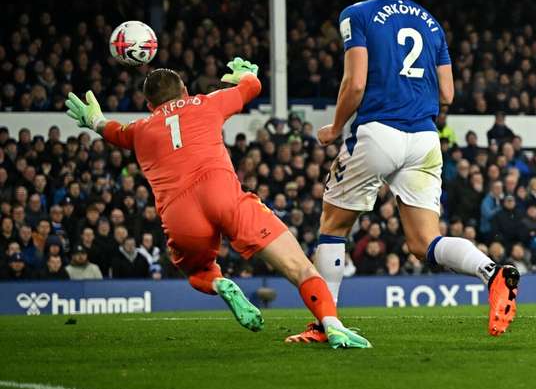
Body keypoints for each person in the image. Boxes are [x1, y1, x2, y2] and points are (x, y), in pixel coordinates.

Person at [64, 60, 370, 348]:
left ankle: (221, 284)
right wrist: (243, 74)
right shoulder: (205, 102)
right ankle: (332, 325)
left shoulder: (140, 129)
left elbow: (112, 132)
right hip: (223, 196)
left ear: (149, 105)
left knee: (199, 270)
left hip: (180, 215)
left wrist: (94, 119)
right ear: (184, 90)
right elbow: (252, 88)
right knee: (300, 268)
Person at [311, 0, 518, 339]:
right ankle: (491, 272)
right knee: (424, 242)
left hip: (378, 130)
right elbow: (448, 92)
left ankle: (325, 324)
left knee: (333, 226)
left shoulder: (356, 14)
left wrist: (336, 127)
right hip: (424, 138)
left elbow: (354, 83)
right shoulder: (431, 22)